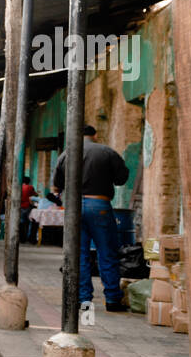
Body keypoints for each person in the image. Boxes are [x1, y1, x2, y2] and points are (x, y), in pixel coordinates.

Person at [51, 125, 131, 312]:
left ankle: (83, 299)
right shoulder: (107, 152)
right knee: (107, 253)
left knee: (79, 255)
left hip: (74, 208)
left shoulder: (66, 153)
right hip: (99, 205)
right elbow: (121, 179)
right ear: (95, 135)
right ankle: (112, 299)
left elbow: (56, 187)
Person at [19, 175, 37, 244]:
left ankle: (22, 239)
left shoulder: (19, 187)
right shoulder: (30, 187)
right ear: (29, 181)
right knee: (30, 222)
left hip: (20, 207)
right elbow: (35, 195)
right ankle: (29, 238)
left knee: (21, 222)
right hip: (27, 207)